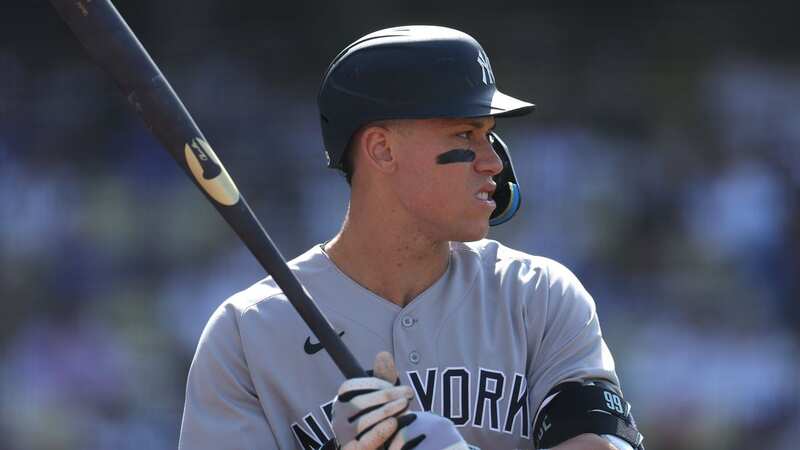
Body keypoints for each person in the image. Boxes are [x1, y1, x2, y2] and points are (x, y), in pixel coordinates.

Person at [178, 26, 644, 450]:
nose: (494, 163)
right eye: (466, 133)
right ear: (382, 149)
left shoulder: (537, 297)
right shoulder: (247, 333)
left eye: (489, 135)